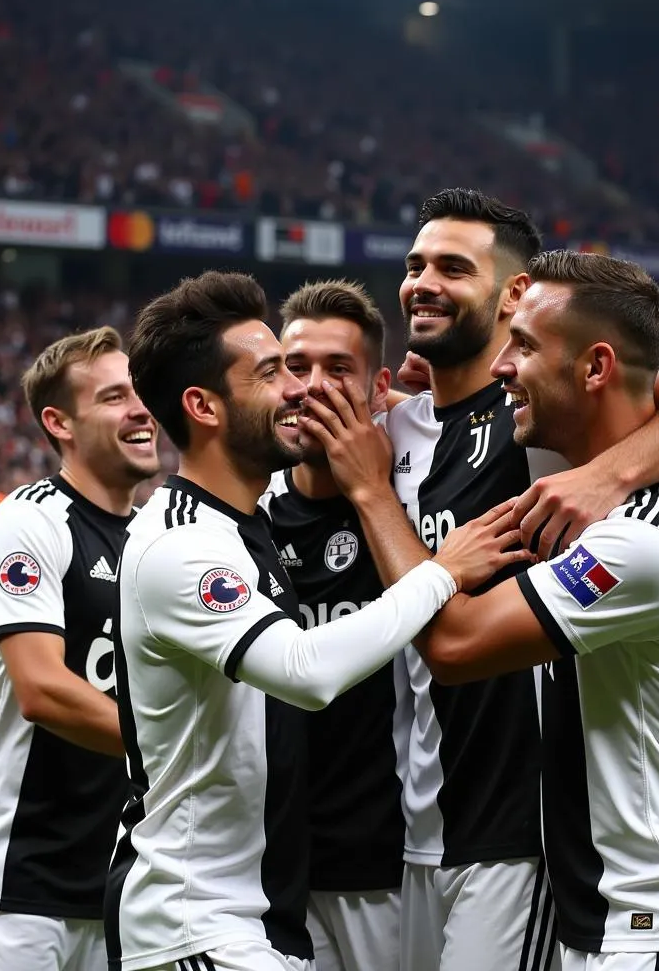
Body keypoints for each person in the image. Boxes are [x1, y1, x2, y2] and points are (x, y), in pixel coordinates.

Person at [301, 190, 659, 971]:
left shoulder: (545, 431)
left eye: (455, 268)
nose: (424, 282)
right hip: (417, 830)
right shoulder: (405, 425)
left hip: (538, 851)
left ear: (512, 297)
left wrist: (604, 475)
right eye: (415, 264)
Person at [107, 270, 526, 971]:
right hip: (196, 923)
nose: (299, 391)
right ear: (204, 407)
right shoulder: (183, 544)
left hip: (257, 918)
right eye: (274, 372)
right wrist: (443, 572)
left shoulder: (244, 524)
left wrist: (415, 404)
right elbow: (304, 670)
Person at [0, 327, 160, 971]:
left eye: (141, 392)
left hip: (118, 882)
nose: (142, 408)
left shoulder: (156, 537)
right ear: (59, 423)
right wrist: (178, 744)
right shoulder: (30, 519)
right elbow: (42, 689)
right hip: (17, 883)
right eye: (115, 397)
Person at [257, 279, 407, 971]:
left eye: (338, 369)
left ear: (379, 389)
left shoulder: (413, 494)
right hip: (268, 871)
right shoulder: (245, 516)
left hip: (391, 867)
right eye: (295, 365)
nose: (311, 386)